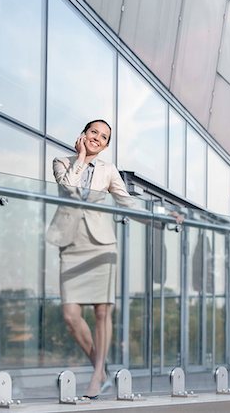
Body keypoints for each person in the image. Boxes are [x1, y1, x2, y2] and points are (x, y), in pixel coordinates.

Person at [47, 119, 135, 399]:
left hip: (101, 245)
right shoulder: (61, 161)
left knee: (101, 312)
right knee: (71, 316)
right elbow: (68, 191)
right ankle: (103, 368)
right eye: (93, 132)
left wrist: (164, 219)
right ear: (83, 134)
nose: (97, 137)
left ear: (107, 145)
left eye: (104, 136)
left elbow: (127, 203)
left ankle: (97, 375)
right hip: (71, 244)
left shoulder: (109, 170)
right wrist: (82, 158)